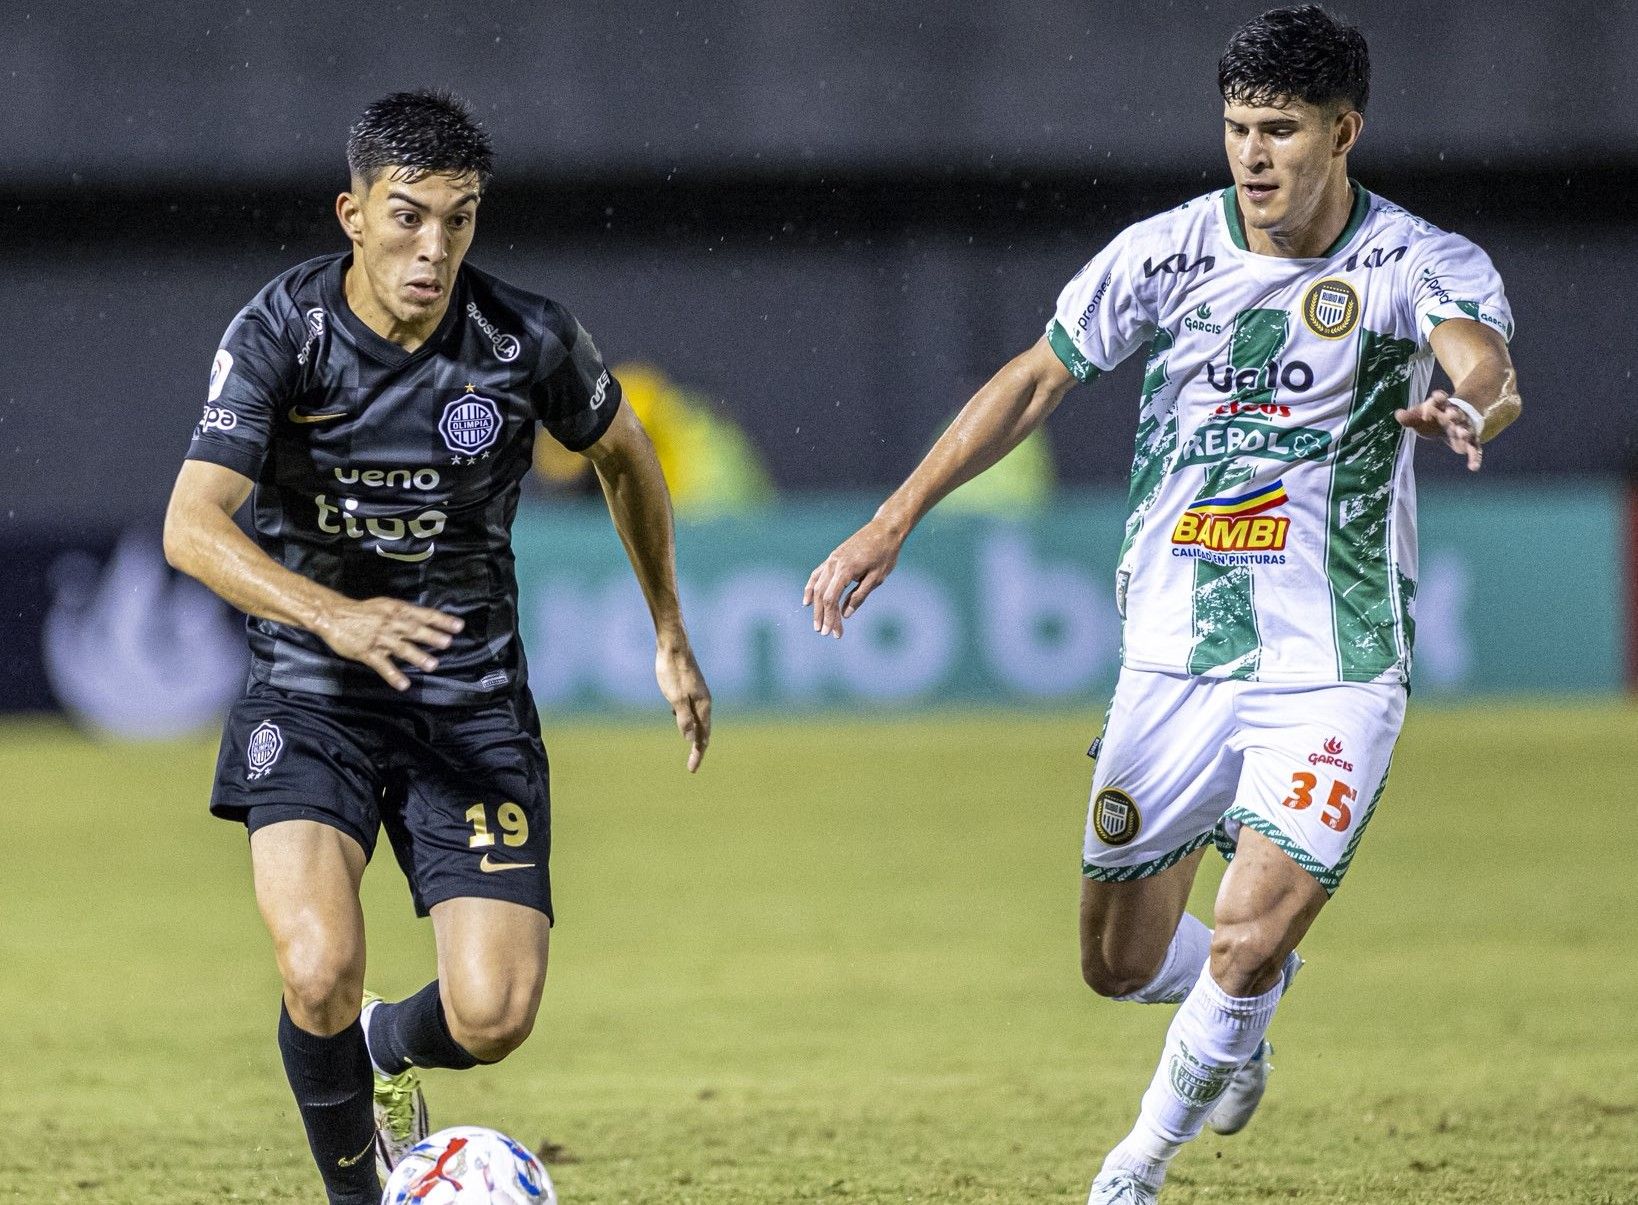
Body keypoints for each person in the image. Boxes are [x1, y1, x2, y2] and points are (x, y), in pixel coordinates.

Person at [802, 8, 1520, 1202]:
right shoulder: (1168, 251)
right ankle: (1253, 1002)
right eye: (1237, 128)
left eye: (1280, 131)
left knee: (1243, 929)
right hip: (1175, 652)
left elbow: (1479, 358)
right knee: (1117, 959)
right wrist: (895, 517)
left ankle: (1134, 1169)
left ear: (1344, 132)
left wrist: (1471, 411)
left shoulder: (1410, 261)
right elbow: (1039, 374)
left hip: (1332, 659)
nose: (1252, 156)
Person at [163, 89, 711, 1205]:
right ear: (352, 213)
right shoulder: (283, 330)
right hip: (310, 689)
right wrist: (335, 614)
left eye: (459, 219)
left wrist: (670, 634)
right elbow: (191, 524)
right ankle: (361, 1192)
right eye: (408, 217)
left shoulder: (527, 339)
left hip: (468, 700)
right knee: (315, 966)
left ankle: (377, 1048)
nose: (435, 247)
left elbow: (626, 456)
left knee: (495, 1015)